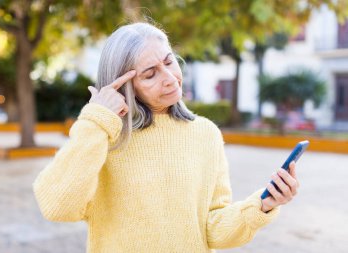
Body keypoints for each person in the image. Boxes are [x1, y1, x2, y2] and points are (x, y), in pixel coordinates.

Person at [33, 22, 300, 252]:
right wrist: (96, 120)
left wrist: (262, 205)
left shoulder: (205, 134)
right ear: (126, 87)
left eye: (170, 61)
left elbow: (212, 231)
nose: (170, 78)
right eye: (150, 74)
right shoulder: (104, 137)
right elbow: (57, 206)